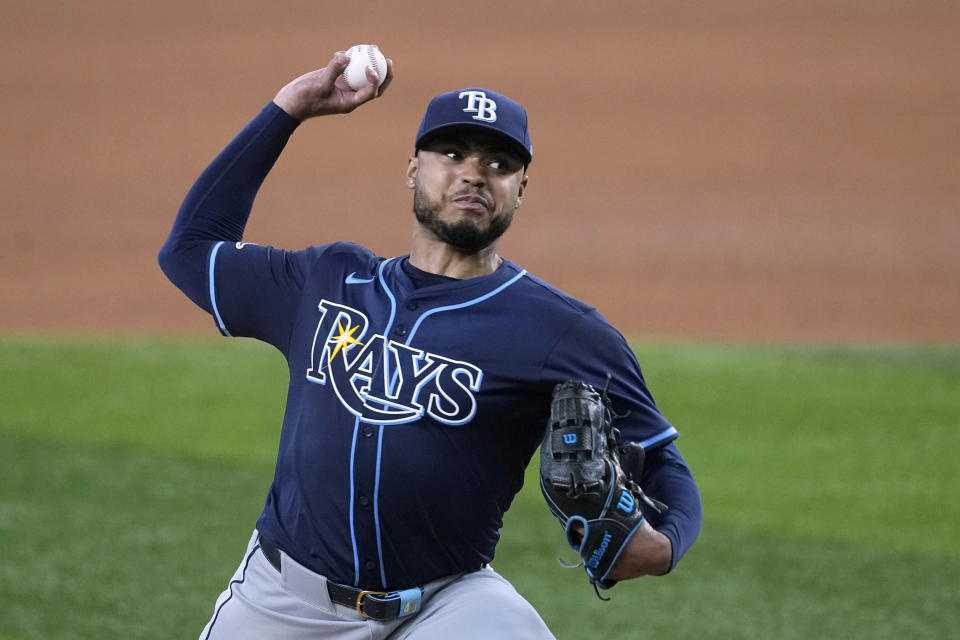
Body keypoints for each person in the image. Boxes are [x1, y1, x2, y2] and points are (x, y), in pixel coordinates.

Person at [159, 48, 702, 640]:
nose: (473, 173)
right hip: (286, 601)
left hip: (448, 605)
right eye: (452, 154)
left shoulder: (563, 331)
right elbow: (190, 251)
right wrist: (289, 109)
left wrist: (665, 544)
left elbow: (662, 458)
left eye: (498, 163)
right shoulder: (327, 281)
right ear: (413, 169)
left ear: (522, 187)